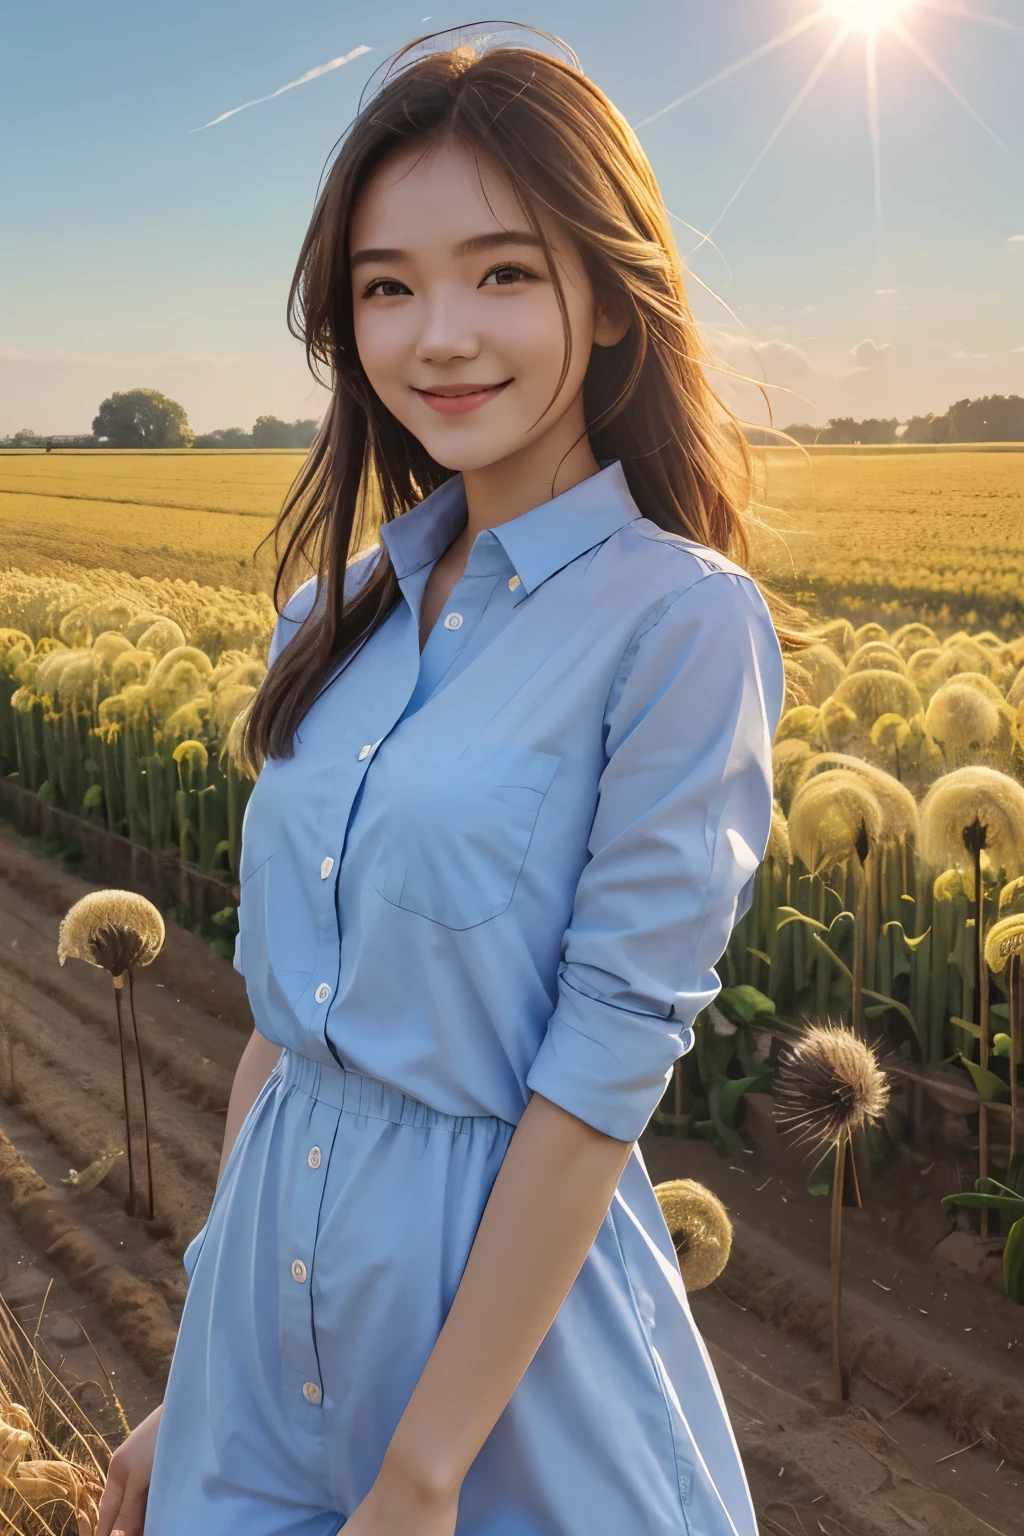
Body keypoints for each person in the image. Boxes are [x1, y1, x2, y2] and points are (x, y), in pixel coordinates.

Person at [98, 25, 793, 1536]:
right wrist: (199, 1365)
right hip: (262, 1341)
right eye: (387, 288)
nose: (439, 336)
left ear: (609, 298)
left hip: (499, 1375)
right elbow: (289, 1035)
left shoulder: (681, 623)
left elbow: (603, 1064)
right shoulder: (327, 619)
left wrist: (427, 1471)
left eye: (504, 272)